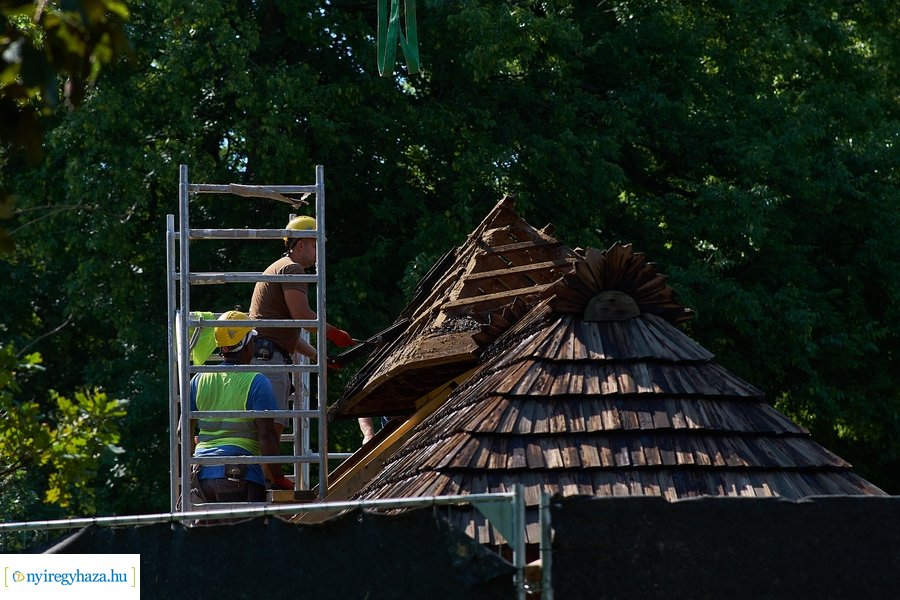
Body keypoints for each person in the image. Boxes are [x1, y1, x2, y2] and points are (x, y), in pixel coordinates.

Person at [248, 215, 374, 443]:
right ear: (301, 244)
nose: (317, 251)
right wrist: (334, 333)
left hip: (264, 354)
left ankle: (265, 477)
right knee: (269, 432)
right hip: (269, 360)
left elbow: (286, 332)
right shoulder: (293, 269)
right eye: (315, 245)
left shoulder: (279, 267)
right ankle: (266, 479)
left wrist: (319, 357)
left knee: (265, 431)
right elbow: (304, 318)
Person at [190, 311, 292, 502]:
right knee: (247, 532)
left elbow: (183, 432)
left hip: (202, 477)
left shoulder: (198, 380)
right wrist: (278, 477)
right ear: (246, 345)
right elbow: (267, 436)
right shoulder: (257, 381)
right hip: (242, 476)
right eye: (252, 340)